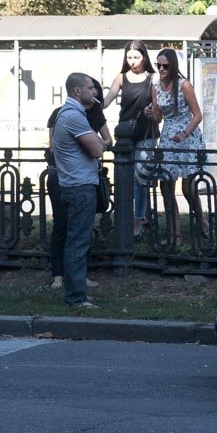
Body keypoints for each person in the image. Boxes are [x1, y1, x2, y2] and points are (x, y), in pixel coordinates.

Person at [46, 79, 112, 293]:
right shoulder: (72, 115)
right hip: (76, 183)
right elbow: (97, 150)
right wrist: (95, 140)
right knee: (72, 236)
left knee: (78, 236)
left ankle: (77, 285)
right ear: (77, 91)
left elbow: (104, 140)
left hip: (77, 182)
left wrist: (96, 140)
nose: (95, 92)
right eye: (90, 88)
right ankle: (74, 294)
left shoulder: (79, 114)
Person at [149, 48, 208, 246]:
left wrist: (185, 133)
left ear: (173, 65)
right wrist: (151, 113)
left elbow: (198, 115)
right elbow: (158, 117)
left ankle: (201, 220)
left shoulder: (184, 85)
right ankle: (175, 235)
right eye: (158, 65)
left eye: (165, 66)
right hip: (167, 137)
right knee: (166, 186)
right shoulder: (156, 86)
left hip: (187, 136)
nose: (161, 69)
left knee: (187, 188)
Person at [102, 41, 157, 238]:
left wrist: (153, 111)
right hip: (125, 133)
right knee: (126, 178)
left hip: (146, 134)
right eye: (129, 57)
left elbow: (159, 112)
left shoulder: (153, 78)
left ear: (144, 57)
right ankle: (132, 217)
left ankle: (137, 222)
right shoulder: (121, 78)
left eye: (136, 57)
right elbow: (106, 102)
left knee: (140, 178)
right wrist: (91, 102)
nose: (133, 61)